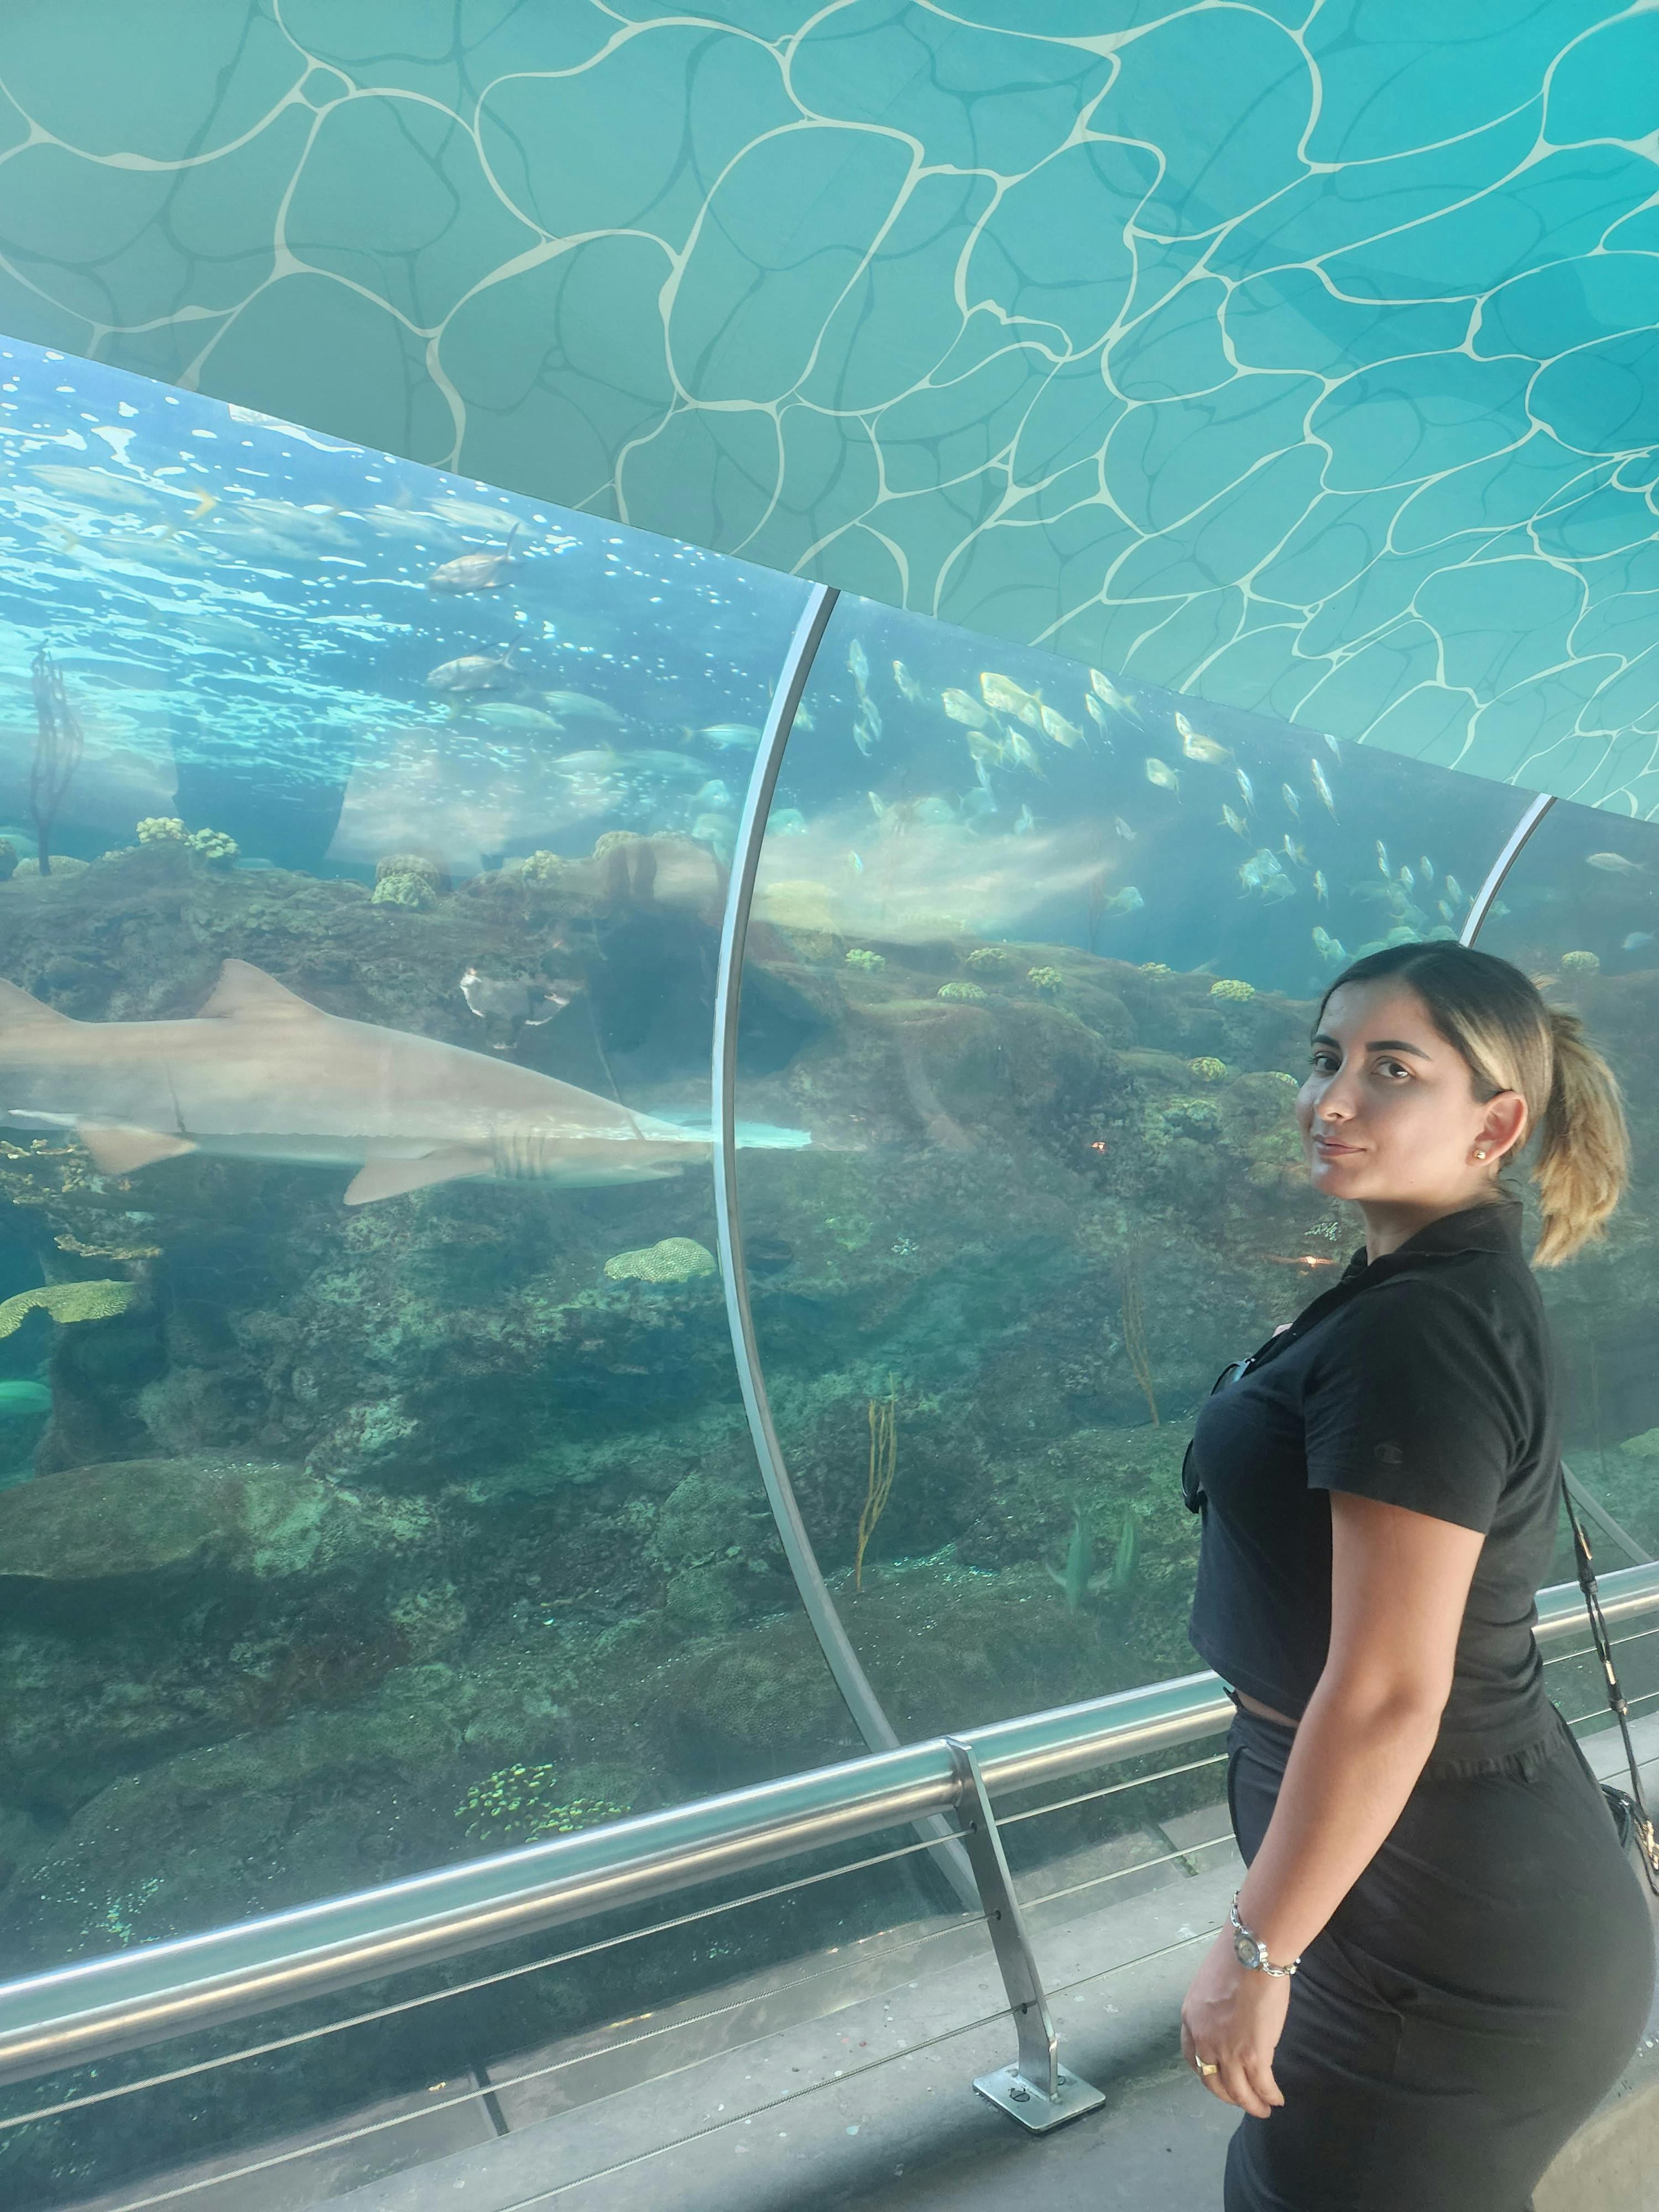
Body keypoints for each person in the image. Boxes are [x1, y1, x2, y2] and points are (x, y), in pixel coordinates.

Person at [1177, 940, 1656, 2210]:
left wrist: (1253, 1952)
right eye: (1325, 1057)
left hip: (1448, 1933)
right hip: (1436, 1878)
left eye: (1392, 1069)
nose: (1332, 1098)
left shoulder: (1422, 1328)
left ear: (1496, 1123)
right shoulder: (1424, 1283)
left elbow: (1391, 1691)